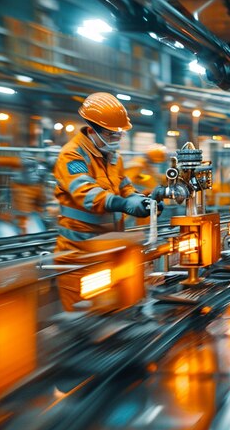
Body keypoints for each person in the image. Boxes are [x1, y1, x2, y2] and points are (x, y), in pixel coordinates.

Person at [53, 92, 162, 310]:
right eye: (113, 134)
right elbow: (87, 194)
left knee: (115, 311)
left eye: (120, 133)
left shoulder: (113, 157)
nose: (118, 138)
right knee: (85, 321)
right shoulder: (72, 156)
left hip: (110, 249)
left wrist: (141, 202)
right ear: (92, 130)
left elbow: (125, 187)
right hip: (80, 255)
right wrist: (124, 205)